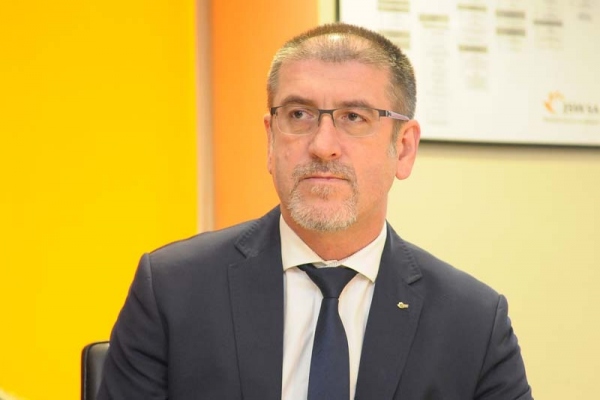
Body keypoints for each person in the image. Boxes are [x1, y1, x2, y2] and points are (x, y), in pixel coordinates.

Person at [98, 23, 532, 400]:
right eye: (299, 114)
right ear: (271, 140)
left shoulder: (473, 322)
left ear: (403, 148)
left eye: (354, 117)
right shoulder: (173, 290)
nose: (322, 145)